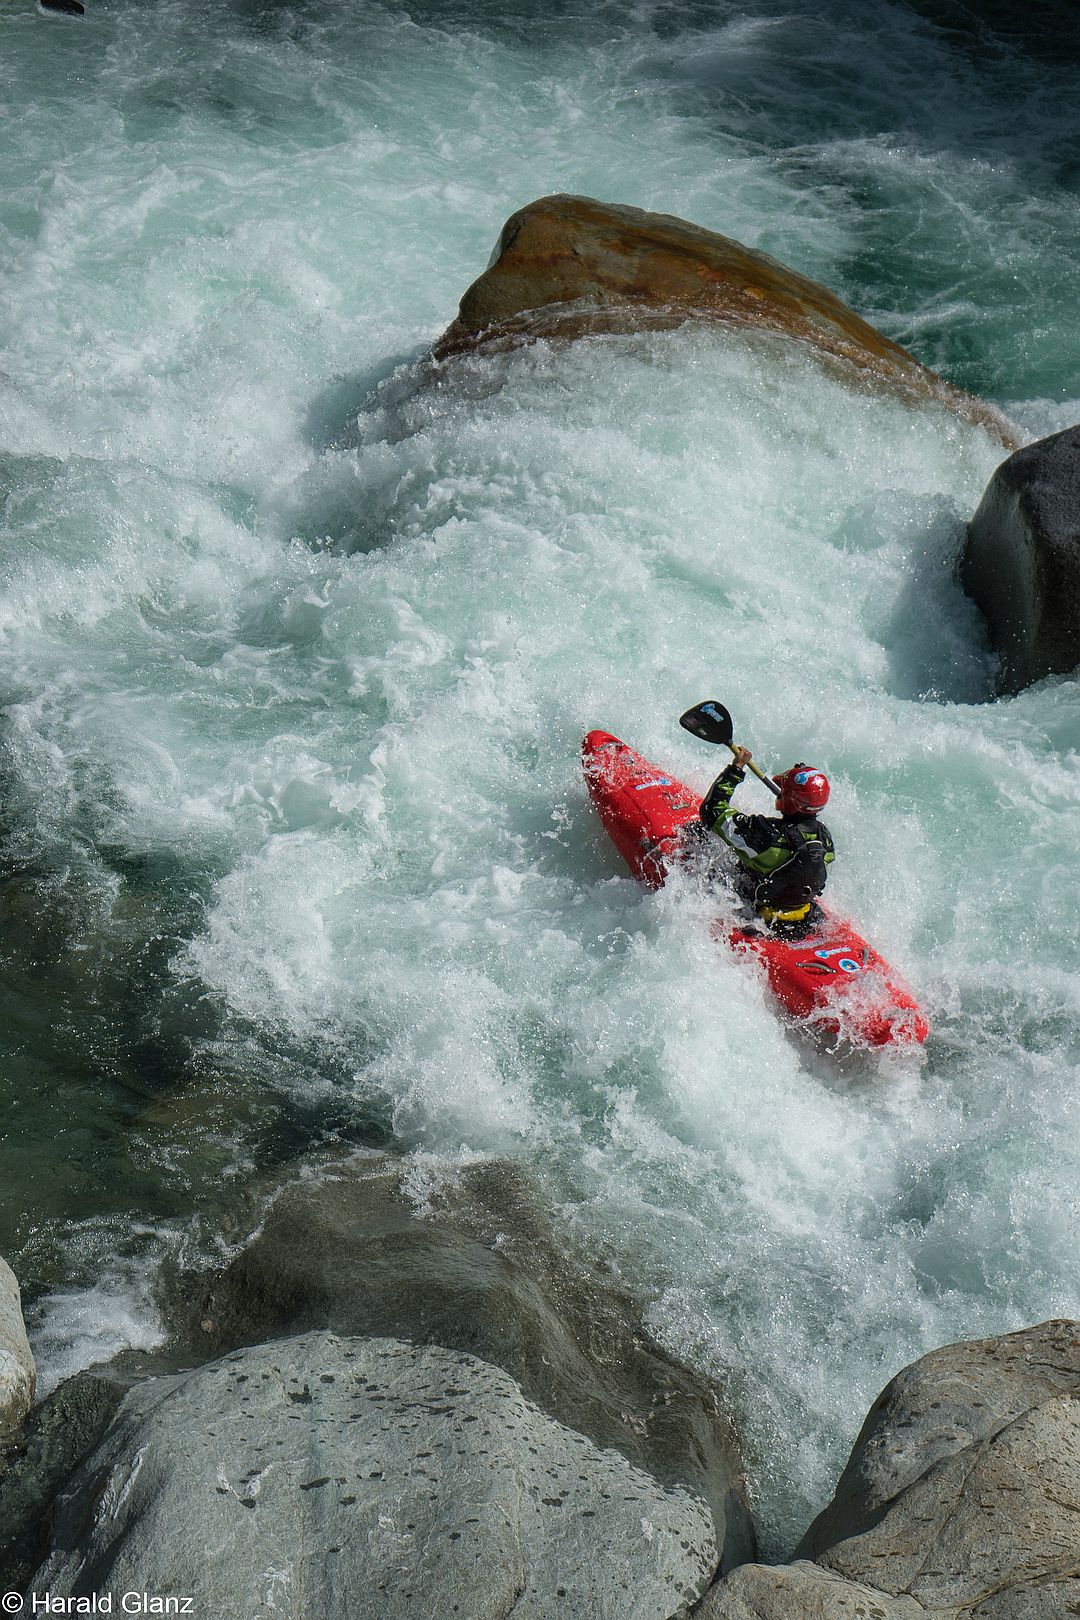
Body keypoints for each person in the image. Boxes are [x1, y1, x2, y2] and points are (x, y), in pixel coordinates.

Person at [697, 748, 834, 935]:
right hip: (802, 915)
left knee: (698, 833)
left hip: (761, 916)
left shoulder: (764, 834)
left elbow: (712, 810)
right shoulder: (825, 837)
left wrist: (736, 768)